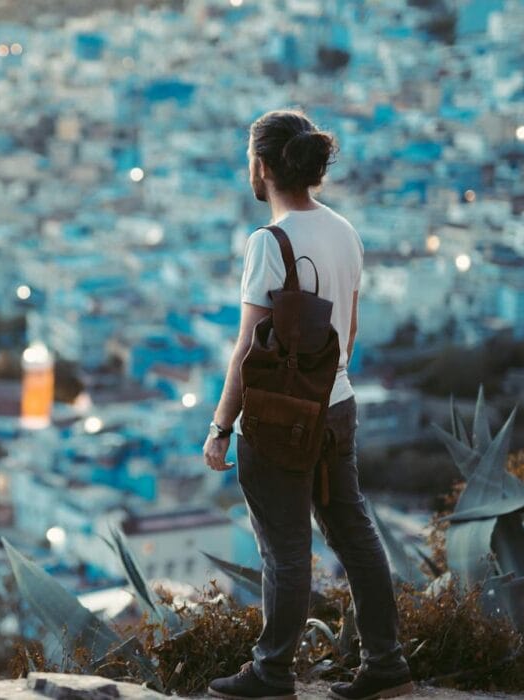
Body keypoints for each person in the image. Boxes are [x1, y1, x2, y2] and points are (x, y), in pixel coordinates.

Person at [202, 109, 414, 700]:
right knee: (355, 534)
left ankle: (272, 673)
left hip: (279, 417)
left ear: (262, 166)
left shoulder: (269, 242)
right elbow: (349, 330)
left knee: (286, 549)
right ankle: (387, 664)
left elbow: (248, 348)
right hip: (337, 405)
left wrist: (220, 426)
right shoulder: (345, 231)